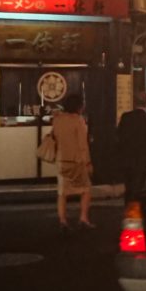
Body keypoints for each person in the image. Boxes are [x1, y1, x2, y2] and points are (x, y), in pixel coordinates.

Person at [51, 93, 94, 230]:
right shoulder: (78, 120)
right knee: (86, 189)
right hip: (76, 161)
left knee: (62, 192)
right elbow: (83, 144)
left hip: (62, 160)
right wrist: (88, 162)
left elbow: (55, 138)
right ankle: (83, 218)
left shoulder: (57, 120)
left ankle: (62, 220)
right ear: (79, 106)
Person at [116, 91, 146, 202]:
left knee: (129, 187)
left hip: (127, 158)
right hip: (142, 159)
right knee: (138, 188)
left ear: (134, 102)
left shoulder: (126, 117)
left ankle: (128, 209)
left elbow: (119, 134)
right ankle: (136, 211)